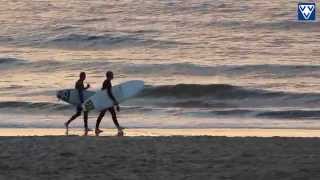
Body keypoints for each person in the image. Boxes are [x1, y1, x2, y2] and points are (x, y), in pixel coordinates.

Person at [95, 71, 124, 135]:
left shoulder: (106, 82)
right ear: (109, 76)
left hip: (106, 101)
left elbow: (104, 90)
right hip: (106, 102)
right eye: (112, 74)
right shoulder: (107, 82)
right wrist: (115, 101)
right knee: (106, 115)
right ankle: (118, 128)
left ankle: (118, 128)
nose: (113, 75)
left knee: (109, 115)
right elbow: (109, 93)